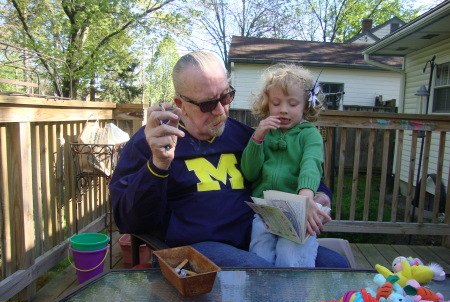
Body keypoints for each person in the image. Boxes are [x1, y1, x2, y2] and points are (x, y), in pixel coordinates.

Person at [109, 50, 349, 268]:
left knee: (338, 267)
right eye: (207, 104)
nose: (220, 111)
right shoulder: (151, 142)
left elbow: (290, 167)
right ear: (180, 104)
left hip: (260, 234)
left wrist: (320, 194)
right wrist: (158, 165)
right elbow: (130, 222)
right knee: (267, 275)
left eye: (226, 97)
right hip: (196, 248)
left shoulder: (242, 135)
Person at [241, 63, 329, 267]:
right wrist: (257, 138)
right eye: (276, 103)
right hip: (266, 211)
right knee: (260, 257)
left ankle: (293, 297)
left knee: (291, 259)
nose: (283, 110)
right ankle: (263, 297)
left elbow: (311, 165)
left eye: (292, 104)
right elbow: (250, 173)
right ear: (267, 104)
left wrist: (305, 199)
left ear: (306, 106)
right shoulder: (265, 133)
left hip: (299, 209)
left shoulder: (309, 135)